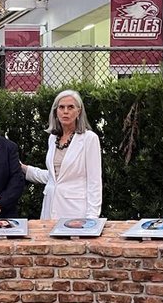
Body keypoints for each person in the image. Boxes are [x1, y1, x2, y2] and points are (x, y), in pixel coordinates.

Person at [21, 90, 102, 220]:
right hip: (50, 209)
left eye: (70, 107)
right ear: (56, 112)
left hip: (75, 211)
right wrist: (25, 169)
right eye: (61, 107)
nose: (65, 111)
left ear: (79, 111)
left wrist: (92, 217)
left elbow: (94, 182)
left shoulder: (89, 138)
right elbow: (54, 177)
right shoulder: (53, 138)